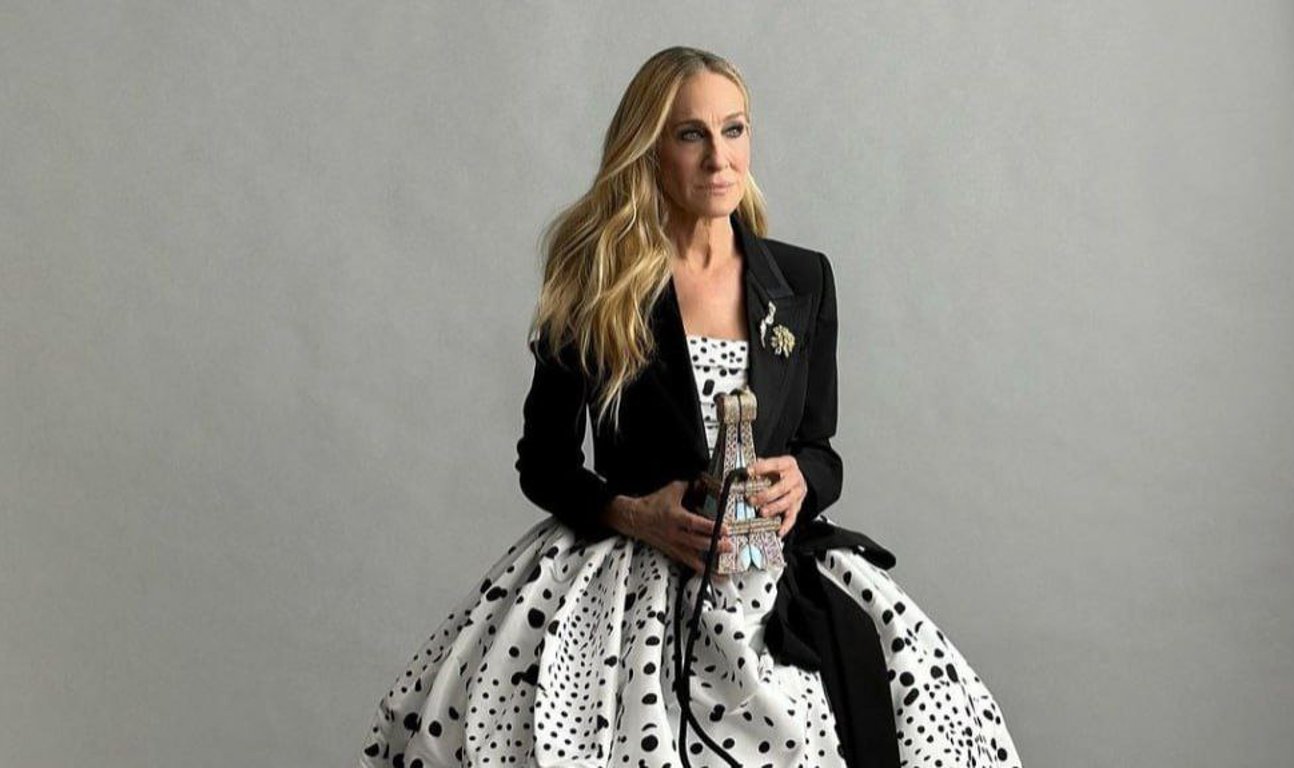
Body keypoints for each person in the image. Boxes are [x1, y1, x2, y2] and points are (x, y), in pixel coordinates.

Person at [357, 45, 1022, 768]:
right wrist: (633, 514)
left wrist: (802, 479)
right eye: (690, 135)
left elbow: (821, 451)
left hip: (773, 581)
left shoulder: (802, 279)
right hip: (628, 595)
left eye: (733, 130)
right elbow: (543, 462)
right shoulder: (597, 279)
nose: (718, 159)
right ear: (649, 150)